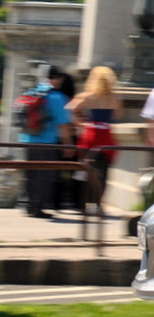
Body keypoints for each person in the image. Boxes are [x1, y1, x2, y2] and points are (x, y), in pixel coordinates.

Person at [19, 65, 74, 218]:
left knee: (31, 174)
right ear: (59, 79)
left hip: (27, 139)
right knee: (45, 175)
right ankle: (38, 208)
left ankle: (30, 205)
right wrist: (68, 145)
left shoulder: (32, 91)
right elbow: (63, 124)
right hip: (47, 142)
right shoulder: (57, 97)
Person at [68, 66, 123, 206]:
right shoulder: (115, 97)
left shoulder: (87, 96)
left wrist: (81, 123)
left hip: (91, 134)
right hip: (106, 135)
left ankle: (85, 203)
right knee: (103, 173)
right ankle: (97, 204)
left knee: (87, 171)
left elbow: (70, 109)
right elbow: (118, 115)